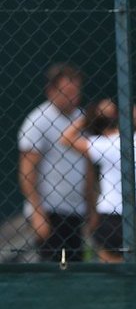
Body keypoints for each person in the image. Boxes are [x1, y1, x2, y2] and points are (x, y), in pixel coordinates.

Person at [59, 99, 136, 262]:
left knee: (112, 273)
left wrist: (89, 116)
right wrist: (134, 115)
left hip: (112, 221)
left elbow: (66, 138)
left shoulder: (106, 145)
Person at [17, 63, 97, 262]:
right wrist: (37, 213)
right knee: (52, 270)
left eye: (76, 91)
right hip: (49, 211)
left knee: (76, 267)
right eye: (68, 92)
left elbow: (88, 165)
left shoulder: (82, 119)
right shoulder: (37, 121)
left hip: (76, 209)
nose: (74, 97)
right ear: (51, 91)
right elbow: (27, 170)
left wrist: (92, 206)